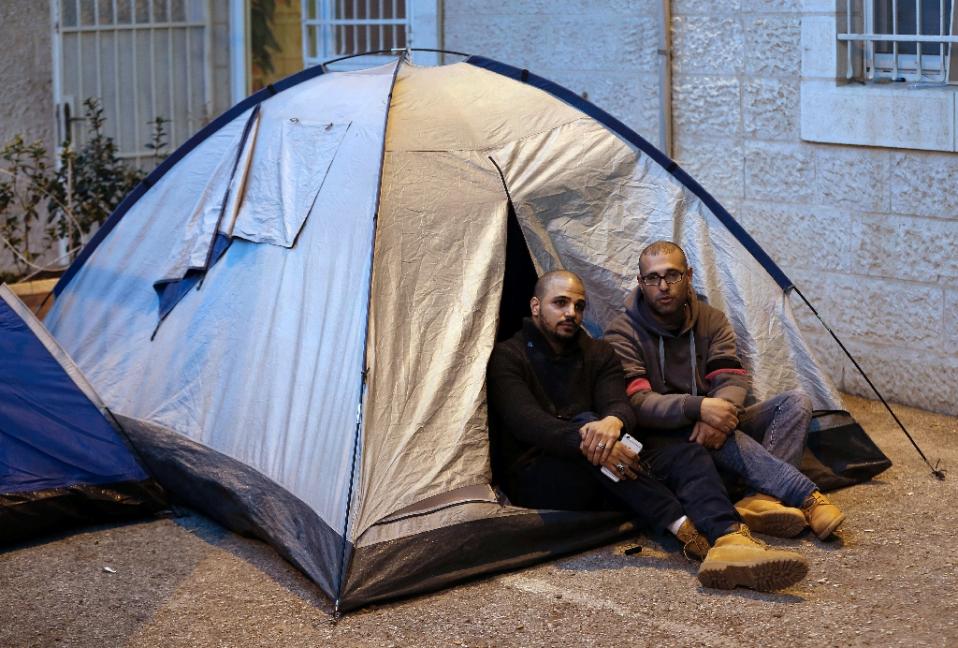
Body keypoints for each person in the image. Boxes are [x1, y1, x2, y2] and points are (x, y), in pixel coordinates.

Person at [486, 269, 809, 591]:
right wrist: (590, 438)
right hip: (541, 473)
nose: (571, 313)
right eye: (560, 303)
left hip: (611, 461)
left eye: (579, 305)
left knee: (685, 453)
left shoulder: (598, 352)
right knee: (593, 435)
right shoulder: (508, 356)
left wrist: (613, 423)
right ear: (535, 306)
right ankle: (690, 535)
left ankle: (729, 538)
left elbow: (620, 404)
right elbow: (528, 423)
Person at [603, 241, 845, 540]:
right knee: (718, 432)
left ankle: (761, 500)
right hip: (666, 437)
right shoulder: (622, 332)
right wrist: (699, 409)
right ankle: (805, 496)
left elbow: (730, 377)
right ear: (641, 282)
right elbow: (638, 402)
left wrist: (718, 413)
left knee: (796, 401)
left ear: (688, 275)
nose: (663, 286)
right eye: (653, 278)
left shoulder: (711, 319)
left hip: (712, 421)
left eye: (672, 275)